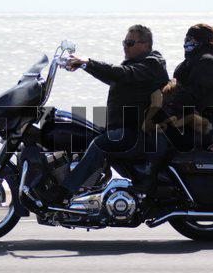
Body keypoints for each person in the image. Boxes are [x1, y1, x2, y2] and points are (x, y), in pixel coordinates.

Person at [54, 25, 170, 200]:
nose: (125, 46)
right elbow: (113, 76)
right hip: (128, 127)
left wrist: (88, 62)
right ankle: (89, 189)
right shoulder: (138, 65)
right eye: (124, 42)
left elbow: (122, 74)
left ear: (145, 44)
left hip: (139, 133)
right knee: (85, 133)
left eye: (130, 43)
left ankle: (64, 192)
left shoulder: (152, 64)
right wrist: (84, 66)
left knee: (100, 145)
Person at [146, 23, 213, 152]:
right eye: (186, 39)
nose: (186, 42)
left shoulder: (208, 62)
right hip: (185, 119)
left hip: (199, 127)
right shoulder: (192, 61)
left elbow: (194, 95)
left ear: (200, 41)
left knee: (155, 134)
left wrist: (168, 96)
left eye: (190, 39)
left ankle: (153, 164)